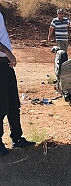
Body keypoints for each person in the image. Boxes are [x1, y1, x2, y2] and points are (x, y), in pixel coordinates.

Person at [0, 12, 36, 156]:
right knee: (1, 105)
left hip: (5, 66)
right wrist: (8, 53)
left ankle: (17, 138)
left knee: (14, 104)